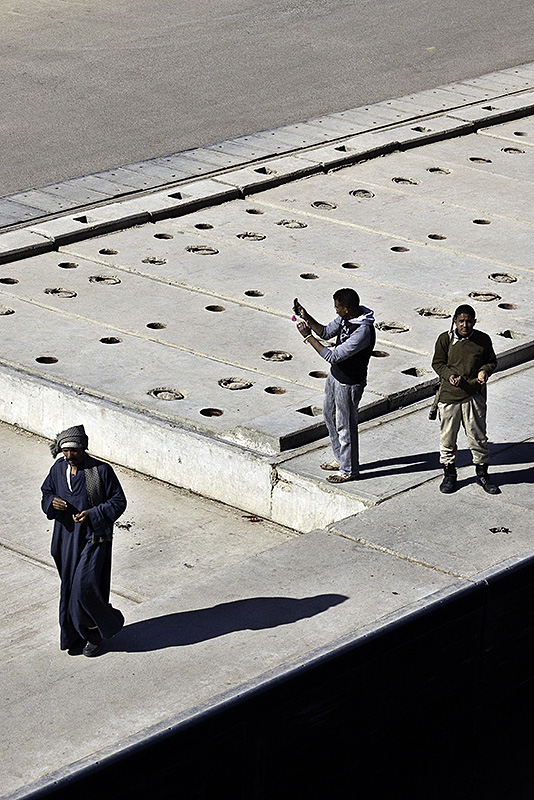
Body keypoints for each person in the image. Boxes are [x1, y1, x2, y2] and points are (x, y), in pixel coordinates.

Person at [41, 424, 127, 656]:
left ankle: (97, 631)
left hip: (93, 539)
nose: (69, 456)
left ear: (84, 448)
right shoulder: (58, 469)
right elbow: (46, 491)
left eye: (75, 451)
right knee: (69, 588)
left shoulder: (100, 471)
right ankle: (74, 636)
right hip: (65, 539)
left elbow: (118, 501)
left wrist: (93, 514)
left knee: (84, 588)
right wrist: (52, 502)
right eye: (66, 451)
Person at [294, 289, 375, 482]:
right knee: (329, 415)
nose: (335, 310)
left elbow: (333, 356)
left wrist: (307, 337)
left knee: (345, 425)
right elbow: (325, 332)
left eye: (337, 307)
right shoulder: (347, 318)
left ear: (347, 308)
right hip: (335, 376)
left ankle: (349, 470)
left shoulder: (362, 331)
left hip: (349, 383)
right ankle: (340, 458)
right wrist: (307, 317)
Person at [431, 304, 499, 495]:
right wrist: (450, 375)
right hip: (449, 397)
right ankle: (449, 475)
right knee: (447, 439)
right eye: (461, 321)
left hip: (473, 396)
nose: (465, 325)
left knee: (478, 438)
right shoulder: (445, 339)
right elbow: (438, 363)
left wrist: (484, 371)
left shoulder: (482, 340)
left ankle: (482, 474)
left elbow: (492, 361)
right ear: (455, 321)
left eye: (469, 321)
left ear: (474, 322)